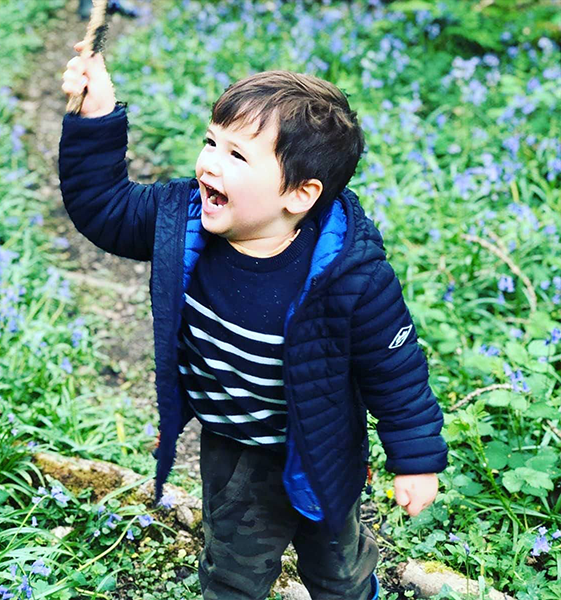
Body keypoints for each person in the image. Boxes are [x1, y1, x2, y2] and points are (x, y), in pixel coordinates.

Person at [59, 43, 448, 600]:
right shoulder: (181, 219)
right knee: (234, 573)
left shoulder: (350, 274)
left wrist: (415, 461)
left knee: (340, 570)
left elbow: (396, 370)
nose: (210, 162)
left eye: (237, 156)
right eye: (211, 141)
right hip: (234, 446)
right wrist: (96, 115)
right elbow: (104, 208)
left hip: (324, 450)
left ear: (299, 194)